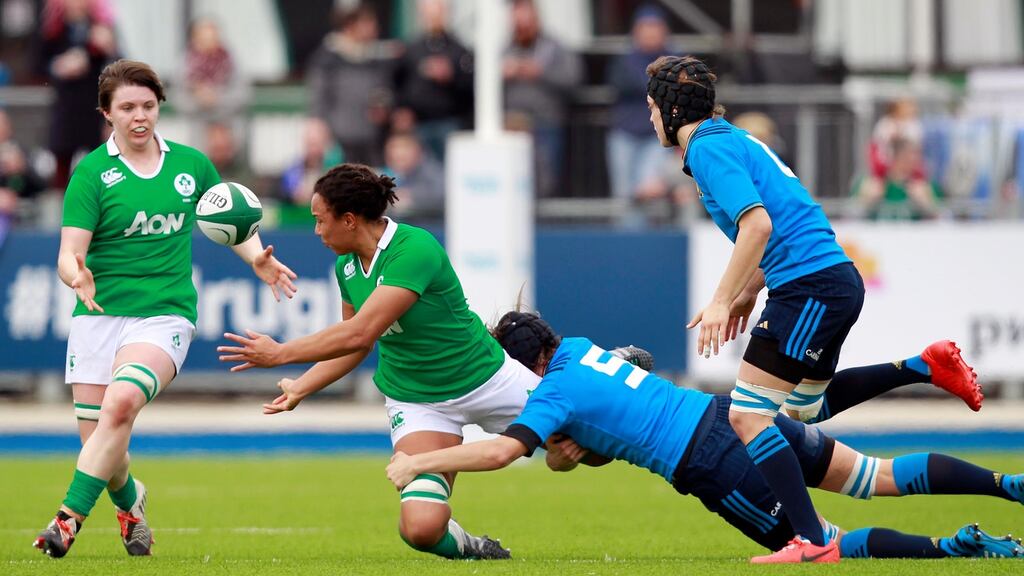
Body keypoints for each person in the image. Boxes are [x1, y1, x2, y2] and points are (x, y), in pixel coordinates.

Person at [642, 55, 982, 562]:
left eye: (652, 107)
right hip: (825, 280)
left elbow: (758, 226)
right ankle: (923, 366)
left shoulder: (708, 148)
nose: (650, 118)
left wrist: (721, 301)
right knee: (805, 409)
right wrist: (750, 290)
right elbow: (779, 223)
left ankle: (813, 540)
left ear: (671, 111)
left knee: (748, 417)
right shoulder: (727, 139)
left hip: (809, 287)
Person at [386, 311, 1024, 562]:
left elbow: (506, 451)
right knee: (871, 475)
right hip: (731, 416)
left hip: (710, 461)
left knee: (820, 544)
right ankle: (1007, 485)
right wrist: (573, 453)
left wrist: (422, 462)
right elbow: (577, 446)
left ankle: (956, 547)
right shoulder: (581, 346)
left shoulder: (550, 395)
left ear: (524, 366)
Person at [32, 59, 298, 559]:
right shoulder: (92, 173)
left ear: (159, 108)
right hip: (97, 317)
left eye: (148, 106)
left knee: (121, 404)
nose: (139, 116)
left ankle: (65, 522)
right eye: (127, 107)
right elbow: (69, 254)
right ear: (107, 113)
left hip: (164, 315)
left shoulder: (191, 165)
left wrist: (255, 257)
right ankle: (131, 503)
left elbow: (229, 219)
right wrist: (76, 274)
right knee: (103, 450)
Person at [217, 163, 533, 560]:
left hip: (486, 380)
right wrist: (302, 386)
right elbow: (355, 347)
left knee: (583, 447)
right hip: (419, 402)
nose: (316, 231)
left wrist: (281, 353)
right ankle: (476, 548)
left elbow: (360, 333)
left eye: (320, 220)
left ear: (349, 220)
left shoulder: (413, 249)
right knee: (421, 528)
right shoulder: (346, 266)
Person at [604, 4, 678, 226]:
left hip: (658, 136)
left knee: (649, 190)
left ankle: (650, 242)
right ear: (636, 31)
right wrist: (656, 83)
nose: (650, 33)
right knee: (624, 195)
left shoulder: (675, 59)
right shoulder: (624, 59)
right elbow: (623, 83)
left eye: (655, 27)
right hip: (624, 132)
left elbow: (676, 89)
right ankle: (627, 242)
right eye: (646, 27)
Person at [35, 0, 119, 189]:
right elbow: (37, 65)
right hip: (66, 108)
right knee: (62, 161)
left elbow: (119, 65)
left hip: (95, 107)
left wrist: (108, 47)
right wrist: (59, 66)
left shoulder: (101, 27)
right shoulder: (53, 29)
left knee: (100, 164)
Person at [502, 0, 582, 197]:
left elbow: (573, 79)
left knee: (546, 184)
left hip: (545, 125)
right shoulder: (504, 50)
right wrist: (503, 74)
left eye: (526, 22)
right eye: (518, 23)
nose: (522, 28)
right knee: (513, 184)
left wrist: (540, 72)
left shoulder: (554, 48)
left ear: (536, 19)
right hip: (512, 128)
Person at [307, 4, 393, 167]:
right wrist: (318, 123)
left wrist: (385, 106)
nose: (374, 28)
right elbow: (319, 95)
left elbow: (384, 89)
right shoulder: (328, 57)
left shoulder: (377, 56)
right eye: (367, 23)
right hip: (341, 139)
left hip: (373, 137)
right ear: (350, 25)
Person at [390, 0, 473, 162]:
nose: (433, 18)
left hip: (449, 122)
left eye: (437, 12)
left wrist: (451, 76)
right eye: (429, 13)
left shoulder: (458, 50)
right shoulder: (412, 49)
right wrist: (402, 109)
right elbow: (398, 82)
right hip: (419, 124)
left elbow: (470, 87)